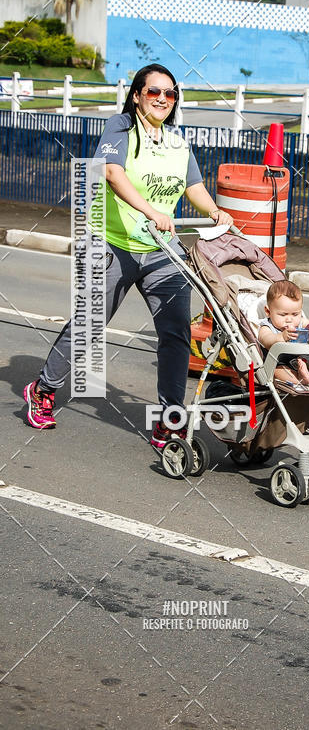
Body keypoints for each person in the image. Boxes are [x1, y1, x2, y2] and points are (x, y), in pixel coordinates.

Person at [23, 63, 233, 450]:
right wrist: (152, 211)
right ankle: (43, 388)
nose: (163, 100)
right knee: (89, 324)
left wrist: (214, 211)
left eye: (170, 94)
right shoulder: (120, 128)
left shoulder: (176, 141)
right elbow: (113, 174)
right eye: (154, 92)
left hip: (161, 251)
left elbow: (193, 186)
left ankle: (169, 419)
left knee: (175, 335)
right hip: (113, 244)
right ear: (137, 95)